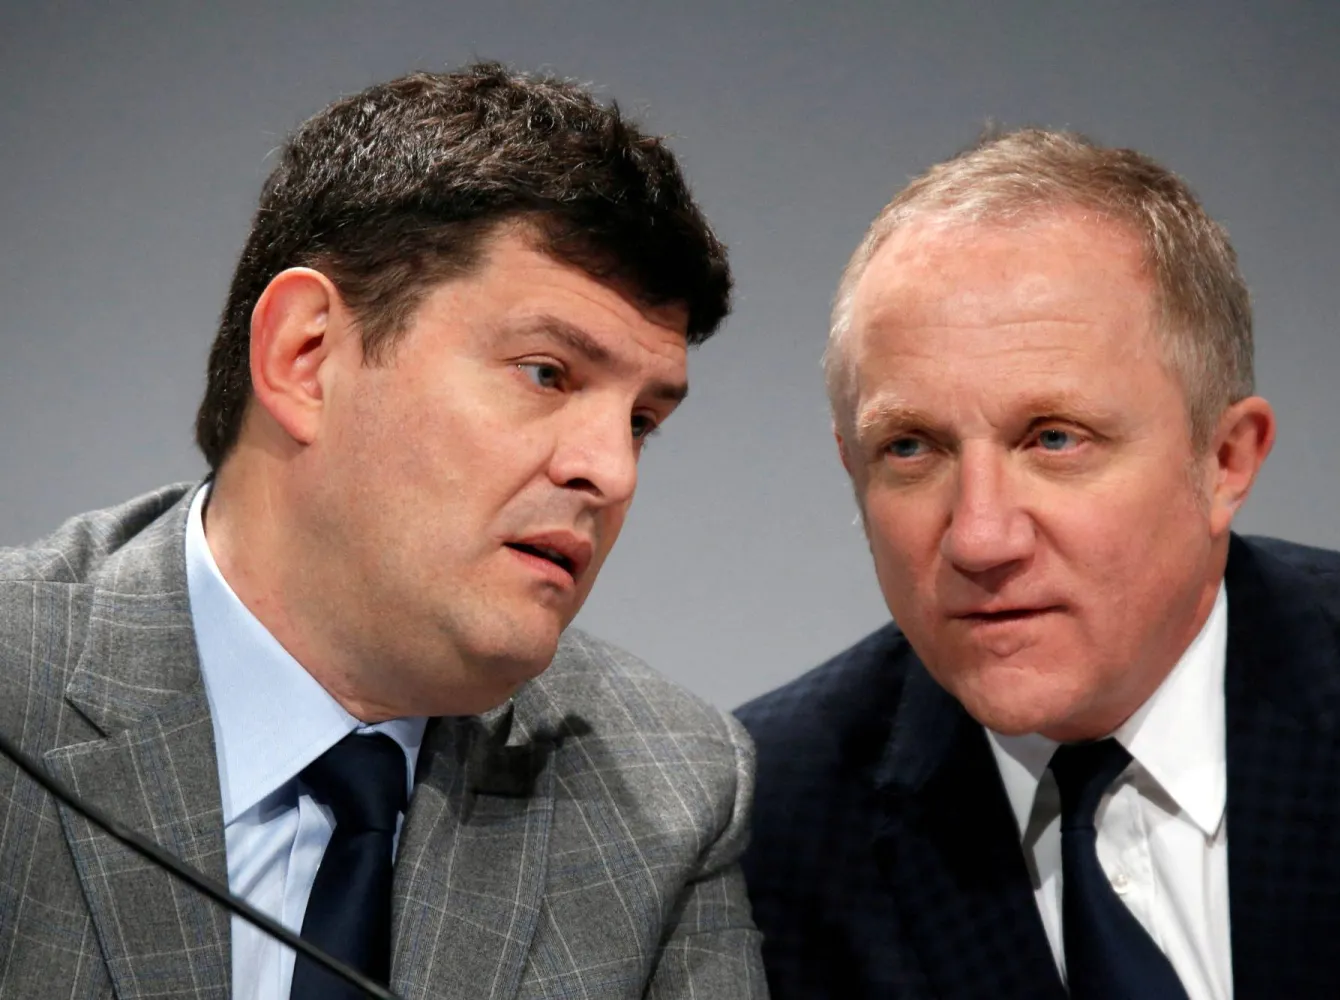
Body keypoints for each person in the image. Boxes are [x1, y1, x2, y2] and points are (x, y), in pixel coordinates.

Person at [0, 63, 767, 1000]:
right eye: (546, 373)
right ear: (305, 357)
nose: (611, 471)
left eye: (643, 421)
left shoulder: (666, 794)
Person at [736, 129, 1340, 999]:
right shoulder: (767, 831)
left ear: (1225, 461)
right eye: (911, 449)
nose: (981, 537)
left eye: (1055, 439)